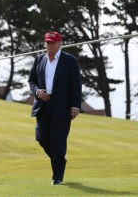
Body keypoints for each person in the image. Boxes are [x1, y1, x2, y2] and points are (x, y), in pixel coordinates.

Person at [28, 31, 82, 185]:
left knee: (59, 143)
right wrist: (37, 91)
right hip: (43, 106)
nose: (49, 45)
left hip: (63, 107)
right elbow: (31, 81)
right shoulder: (39, 60)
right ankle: (59, 161)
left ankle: (57, 177)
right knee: (42, 138)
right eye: (47, 42)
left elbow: (76, 85)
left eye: (52, 42)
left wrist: (75, 106)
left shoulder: (69, 61)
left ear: (60, 43)